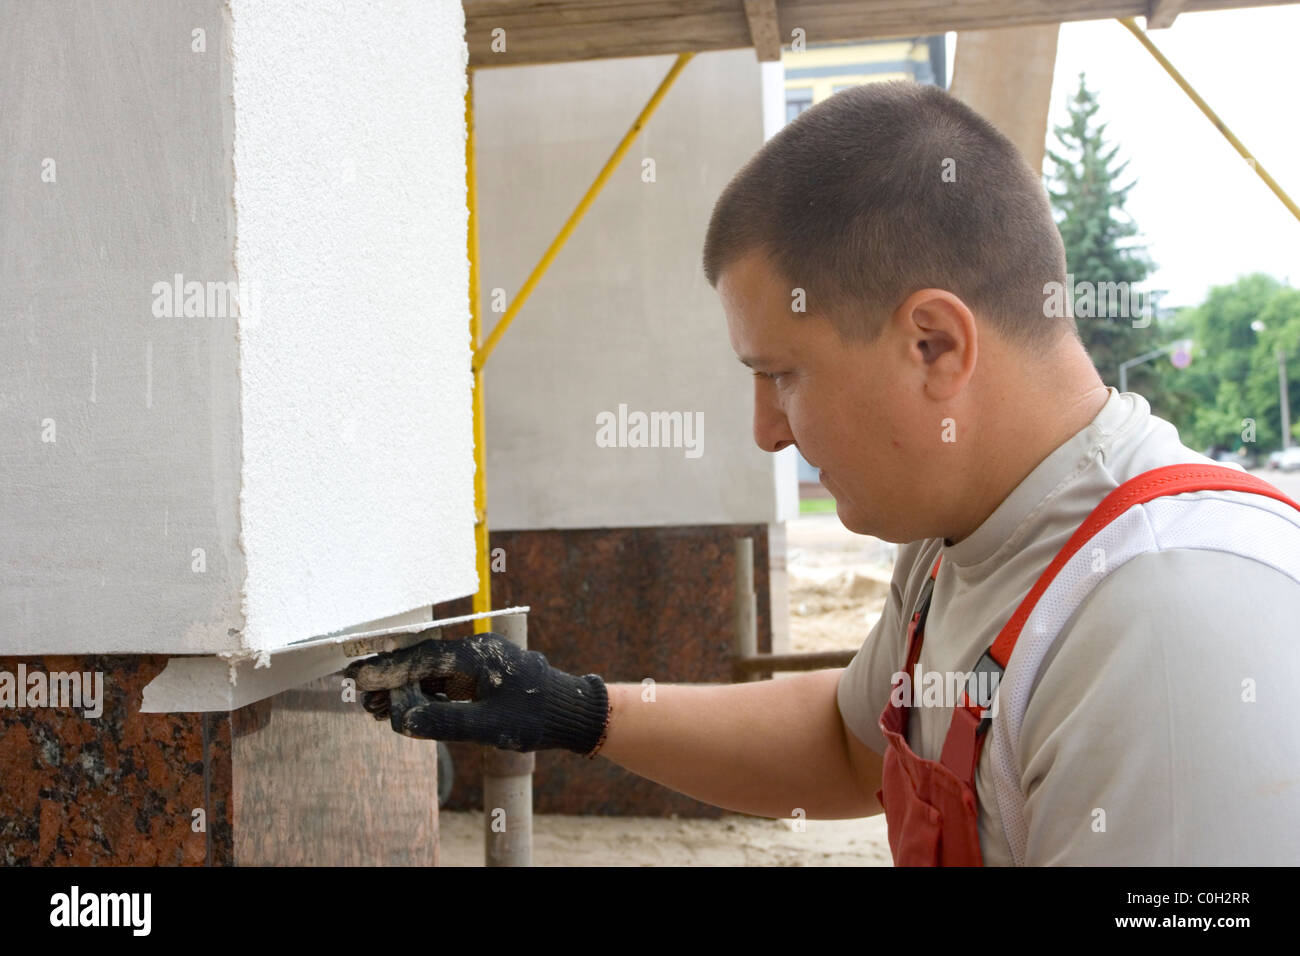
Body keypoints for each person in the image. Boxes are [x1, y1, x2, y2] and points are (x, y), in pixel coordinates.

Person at [346, 81, 1300, 865]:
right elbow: (848, 743)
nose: (767, 433)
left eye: (781, 376)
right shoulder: (962, 535)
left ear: (933, 343)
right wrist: (572, 709)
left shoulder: (1166, 632)